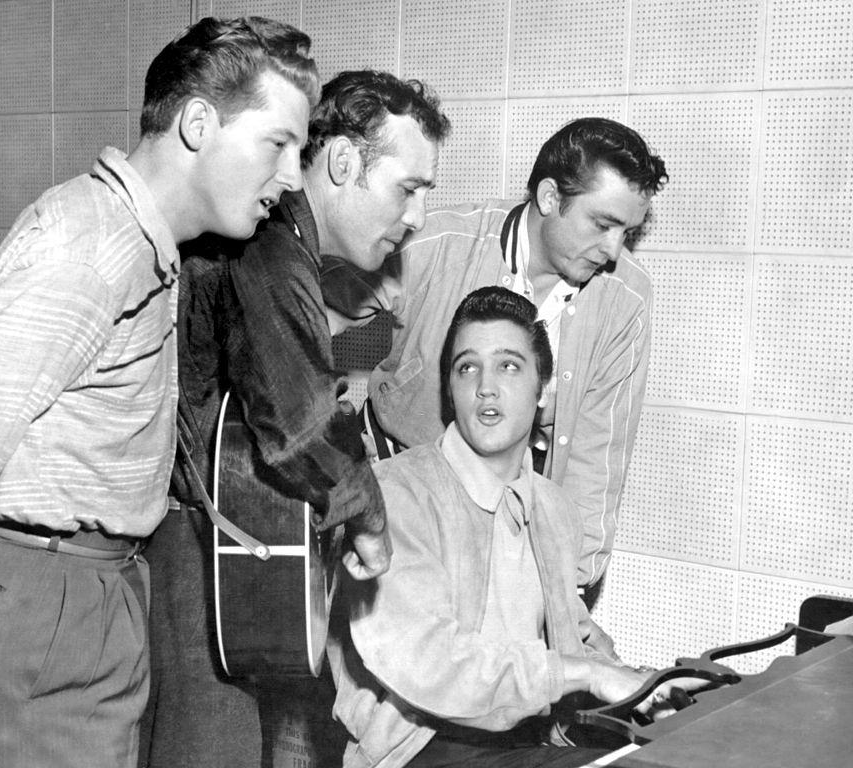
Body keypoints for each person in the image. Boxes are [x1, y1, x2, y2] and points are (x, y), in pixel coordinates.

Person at [0, 16, 318, 768]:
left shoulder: (139, 246)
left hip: (87, 589)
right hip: (40, 601)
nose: (291, 177)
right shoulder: (90, 246)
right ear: (197, 124)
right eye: (278, 144)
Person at [141, 70, 451, 767]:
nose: (418, 218)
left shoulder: (279, 244)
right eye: (410, 188)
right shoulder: (272, 244)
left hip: (203, 539)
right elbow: (296, 429)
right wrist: (370, 518)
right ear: (343, 163)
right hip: (191, 548)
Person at [329, 287, 695, 768]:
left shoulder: (554, 509)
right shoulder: (393, 495)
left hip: (530, 742)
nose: (485, 386)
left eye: (508, 365)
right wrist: (581, 674)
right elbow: (431, 663)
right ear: (450, 389)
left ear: (542, 391)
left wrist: (644, 684)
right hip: (420, 750)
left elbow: (573, 637)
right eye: (467, 367)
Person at [322, 117, 668, 597]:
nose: (613, 251)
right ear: (550, 198)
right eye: (603, 224)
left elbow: (598, 458)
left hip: (512, 528)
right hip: (394, 499)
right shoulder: (433, 247)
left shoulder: (626, 299)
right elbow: (301, 326)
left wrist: (573, 591)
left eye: (626, 232)